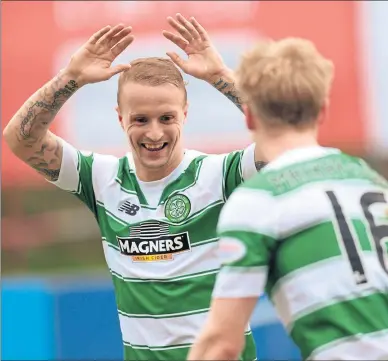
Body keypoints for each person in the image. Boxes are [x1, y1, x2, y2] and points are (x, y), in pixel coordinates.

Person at [3, 14, 260, 360]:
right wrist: (71, 79)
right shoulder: (100, 179)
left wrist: (220, 76)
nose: (154, 133)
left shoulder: (218, 173)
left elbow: (283, 143)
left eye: (166, 118)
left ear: (185, 114)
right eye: (140, 119)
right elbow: (21, 140)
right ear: (120, 118)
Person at [187, 37, 388, 361]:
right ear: (323, 111)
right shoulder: (386, 192)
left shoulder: (258, 200)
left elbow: (222, 344)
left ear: (248, 117)